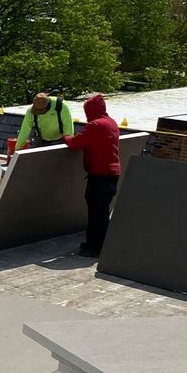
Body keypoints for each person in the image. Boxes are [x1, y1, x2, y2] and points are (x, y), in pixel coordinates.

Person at [62, 93, 121, 259]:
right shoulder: (111, 123)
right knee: (101, 212)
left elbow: (74, 143)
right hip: (111, 174)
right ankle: (94, 244)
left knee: (97, 213)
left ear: (91, 110)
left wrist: (65, 136)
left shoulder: (96, 125)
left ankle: (94, 248)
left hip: (99, 176)